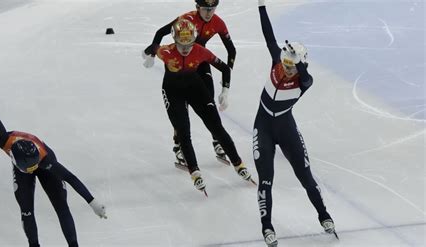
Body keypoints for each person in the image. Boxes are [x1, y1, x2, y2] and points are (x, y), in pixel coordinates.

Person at [0, 91, 107, 247]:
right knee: (26, 210)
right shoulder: (4, 139)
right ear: (14, 158)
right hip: (25, 163)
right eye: (28, 169)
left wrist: (92, 202)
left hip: (44, 164)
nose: (31, 171)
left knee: (61, 205)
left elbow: (70, 178)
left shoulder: (46, 160)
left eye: (32, 167)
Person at [253, 0, 337, 246]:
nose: (287, 70)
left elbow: (306, 75)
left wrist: (297, 62)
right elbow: (268, 34)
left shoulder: (304, 81)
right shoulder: (277, 62)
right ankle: (267, 226)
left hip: (286, 128)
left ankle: (324, 215)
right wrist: (261, 6)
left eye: (292, 67)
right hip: (264, 126)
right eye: (285, 65)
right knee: (266, 179)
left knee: (306, 176)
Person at [151, 18, 254, 195]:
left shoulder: (199, 50)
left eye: (189, 44)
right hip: (173, 91)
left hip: (194, 87)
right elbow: (154, 46)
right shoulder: (166, 51)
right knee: (184, 130)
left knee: (216, 126)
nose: (185, 49)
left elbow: (224, 68)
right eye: (181, 45)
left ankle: (238, 163)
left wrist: (225, 91)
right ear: (175, 40)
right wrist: (149, 55)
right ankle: (194, 170)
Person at [142, 0, 236, 167]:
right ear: (197, 7)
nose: (209, 12)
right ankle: (179, 146)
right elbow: (160, 32)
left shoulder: (218, 22)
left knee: (209, 103)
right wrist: (151, 55)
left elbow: (231, 50)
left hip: (200, 60)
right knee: (181, 106)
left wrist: (227, 78)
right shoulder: (186, 20)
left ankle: (217, 140)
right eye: (205, 9)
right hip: (178, 64)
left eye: (212, 9)